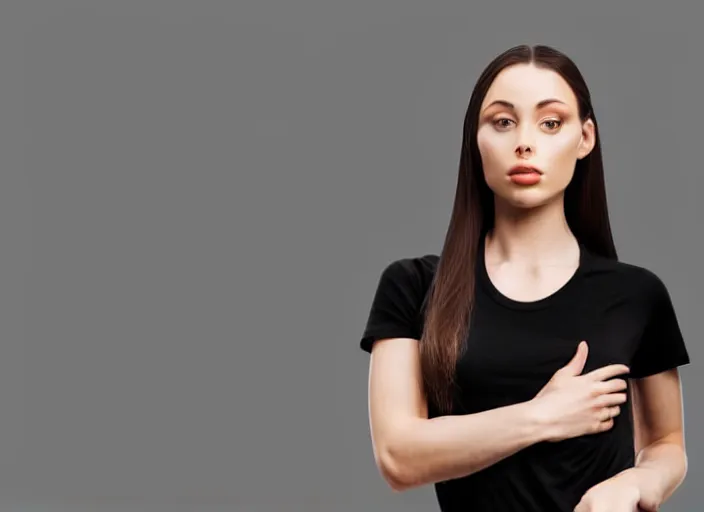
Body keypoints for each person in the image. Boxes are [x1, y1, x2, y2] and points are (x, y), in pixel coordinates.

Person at [358, 44, 691, 512]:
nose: (525, 142)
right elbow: (397, 456)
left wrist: (637, 484)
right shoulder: (413, 286)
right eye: (503, 121)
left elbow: (668, 443)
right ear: (476, 140)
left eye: (550, 123)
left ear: (585, 138)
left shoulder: (637, 295)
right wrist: (542, 415)